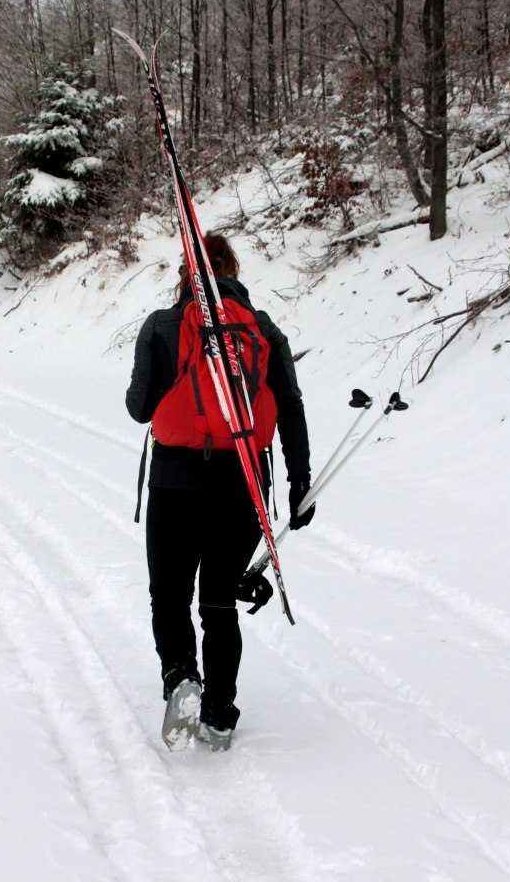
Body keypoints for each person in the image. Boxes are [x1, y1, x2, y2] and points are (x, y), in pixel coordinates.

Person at [126, 232, 314, 751]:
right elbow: (290, 404)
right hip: (242, 482)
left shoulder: (163, 325)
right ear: (234, 271)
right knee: (218, 604)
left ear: (186, 274)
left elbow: (140, 408)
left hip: (174, 483)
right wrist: (301, 480)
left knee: (169, 596)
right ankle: (220, 711)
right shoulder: (262, 328)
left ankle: (181, 677)